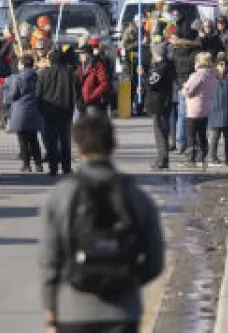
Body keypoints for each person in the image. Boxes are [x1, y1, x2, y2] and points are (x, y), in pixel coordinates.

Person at [38, 115, 166, 333]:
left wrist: (51, 313)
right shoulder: (135, 196)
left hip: (73, 312)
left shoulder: (61, 196)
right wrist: (124, 281)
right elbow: (154, 262)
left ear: (77, 146)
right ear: (113, 144)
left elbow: (49, 262)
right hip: (123, 313)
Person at [38, 46, 79, 176]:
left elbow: (38, 94)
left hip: (49, 111)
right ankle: (66, 167)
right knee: (65, 140)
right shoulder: (70, 73)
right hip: (65, 110)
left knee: (51, 140)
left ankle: (53, 167)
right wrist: (73, 106)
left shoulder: (43, 73)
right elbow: (76, 92)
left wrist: (41, 110)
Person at [5, 54, 44, 172]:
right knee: (34, 139)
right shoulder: (38, 77)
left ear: (22, 64)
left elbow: (13, 95)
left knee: (22, 140)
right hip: (34, 110)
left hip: (20, 111)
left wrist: (6, 97)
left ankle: (26, 165)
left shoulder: (17, 78)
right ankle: (38, 164)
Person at [142, 42, 177, 171]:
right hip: (163, 102)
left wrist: (143, 75)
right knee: (163, 131)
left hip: (159, 103)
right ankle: (163, 158)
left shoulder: (162, 68)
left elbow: (151, 83)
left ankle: (162, 159)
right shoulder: (166, 66)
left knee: (160, 133)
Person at [180, 52, 215, 168]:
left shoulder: (197, 75)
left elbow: (188, 91)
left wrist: (183, 89)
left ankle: (190, 159)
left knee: (191, 134)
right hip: (206, 107)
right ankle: (202, 157)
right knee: (202, 133)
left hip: (194, 108)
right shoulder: (212, 74)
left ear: (199, 62)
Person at [207, 55, 228, 167]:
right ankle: (213, 157)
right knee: (214, 137)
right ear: (216, 65)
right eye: (221, 64)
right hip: (215, 111)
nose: (224, 66)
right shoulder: (211, 77)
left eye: (225, 64)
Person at [78, 47, 112, 119]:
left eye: (82, 53)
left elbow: (104, 83)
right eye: (80, 53)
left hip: (93, 103)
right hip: (81, 103)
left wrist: (92, 96)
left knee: (92, 123)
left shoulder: (97, 65)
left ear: (87, 54)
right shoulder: (80, 66)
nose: (80, 55)